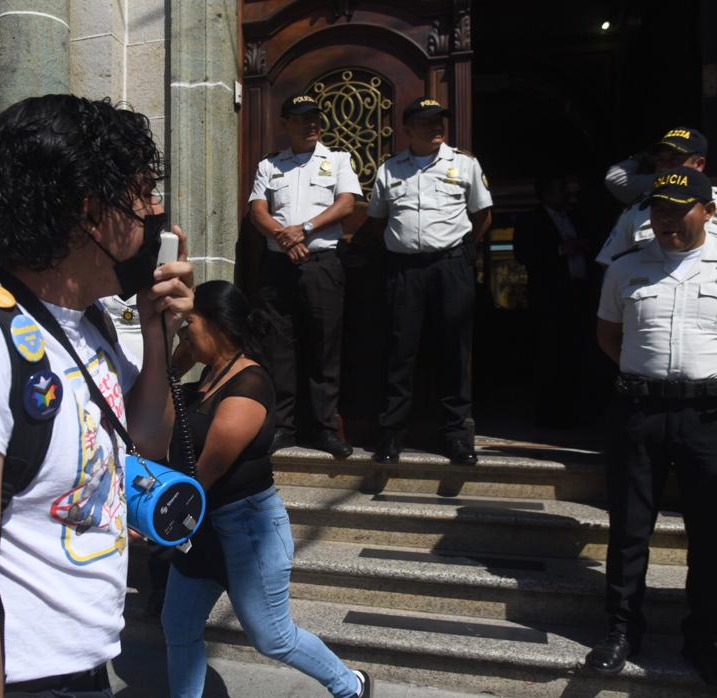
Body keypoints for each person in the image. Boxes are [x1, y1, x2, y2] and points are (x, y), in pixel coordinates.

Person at [0, 95, 194, 696]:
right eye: (143, 192)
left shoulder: (87, 324)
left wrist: (156, 329)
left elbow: (146, 441)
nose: (157, 212)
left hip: (84, 671)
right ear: (88, 211)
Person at [585, 167, 717, 688]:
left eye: (679, 209)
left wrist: (709, 379)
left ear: (708, 212)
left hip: (709, 419)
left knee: (710, 535)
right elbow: (609, 336)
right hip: (640, 413)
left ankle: (704, 640)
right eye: (659, 210)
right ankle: (622, 632)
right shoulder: (625, 270)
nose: (667, 219)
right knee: (628, 530)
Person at [161, 280, 373, 698]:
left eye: (190, 325)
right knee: (179, 626)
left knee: (272, 637)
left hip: (247, 528)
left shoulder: (249, 385)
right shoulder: (206, 375)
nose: (184, 333)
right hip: (201, 526)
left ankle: (352, 686)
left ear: (217, 324)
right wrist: (172, 369)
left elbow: (206, 473)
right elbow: (159, 426)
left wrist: (162, 516)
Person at [364, 97, 492, 465]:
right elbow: (376, 220)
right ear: (408, 129)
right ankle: (391, 434)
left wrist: (466, 254)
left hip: (450, 266)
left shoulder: (465, 164)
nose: (436, 126)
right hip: (404, 271)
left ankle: (456, 434)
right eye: (426, 121)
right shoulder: (390, 170)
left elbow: (483, 215)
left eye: (439, 120)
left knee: (454, 350)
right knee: (400, 351)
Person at [248, 94, 362, 458]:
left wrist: (304, 229)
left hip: (321, 264)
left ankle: (324, 428)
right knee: (278, 348)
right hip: (279, 266)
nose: (311, 124)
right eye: (301, 118)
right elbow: (257, 211)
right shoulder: (270, 164)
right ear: (286, 124)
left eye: (315, 117)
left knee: (323, 347)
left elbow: (347, 203)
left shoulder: (338, 159)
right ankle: (284, 427)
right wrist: (285, 236)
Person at [597, 127, 717, 266]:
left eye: (674, 159)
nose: (665, 167)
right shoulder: (637, 209)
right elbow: (613, 267)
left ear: (699, 164)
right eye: (660, 160)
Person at [513, 173, 596, 427]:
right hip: (549, 299)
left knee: (578, 354)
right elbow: (523, 254)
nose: (566, 195)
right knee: (550, 356)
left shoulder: (575, 217)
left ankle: (577, 412)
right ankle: (549, 415)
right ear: (546, 193)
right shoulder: (532, 220)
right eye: (561, 189)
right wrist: (561, 250)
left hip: (578, 295)